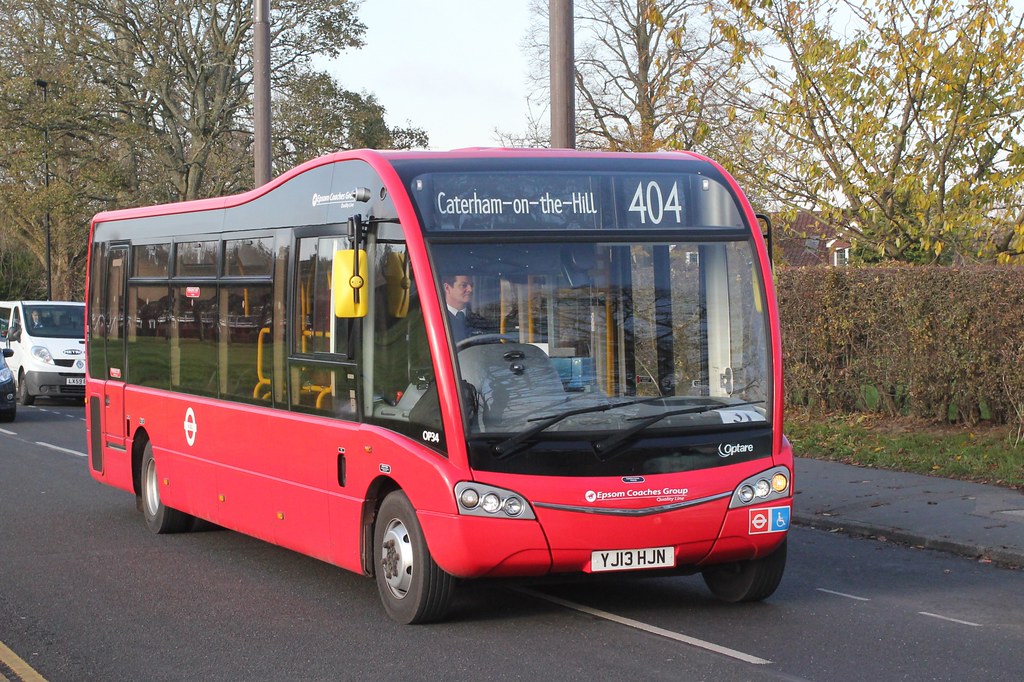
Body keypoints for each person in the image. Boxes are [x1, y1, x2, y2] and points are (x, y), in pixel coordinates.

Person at [442, 275, 474, 343]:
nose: (470, 289)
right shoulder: (437, 321)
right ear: (447, 288)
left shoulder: (480, 321)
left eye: (472, 285)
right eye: (463, 285)